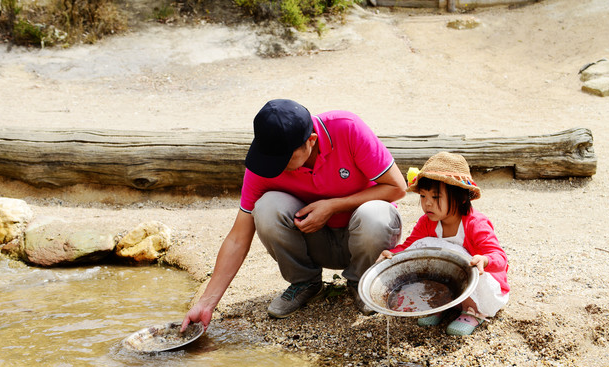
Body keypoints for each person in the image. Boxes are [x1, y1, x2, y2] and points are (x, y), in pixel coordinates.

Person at [182, 99, 406, 331]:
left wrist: (331, 206)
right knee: (266, 207)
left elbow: (398, 187)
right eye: (270, 160)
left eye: (284, 161)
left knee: (376, 213)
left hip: (367, 239)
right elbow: (238, 237)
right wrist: (206, 304)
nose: (274, 168)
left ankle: (362, 281)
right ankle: (306, 283)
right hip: (316, 241)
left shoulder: (346, 128)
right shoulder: (265, 162)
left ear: (311, 141)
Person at [378, 152, 509, 336]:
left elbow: (500, 257)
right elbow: (410, 246)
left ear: (462, 198)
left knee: (450, 252)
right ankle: (442, 302)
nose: (427, 203)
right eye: (423, 196)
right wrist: (393, 253)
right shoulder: (427, 222)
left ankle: (472, 312)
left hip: (479, 284)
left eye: (436, 197)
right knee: (425, 251)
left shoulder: (475, 223)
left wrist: (484, 260)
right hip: (452, 281)